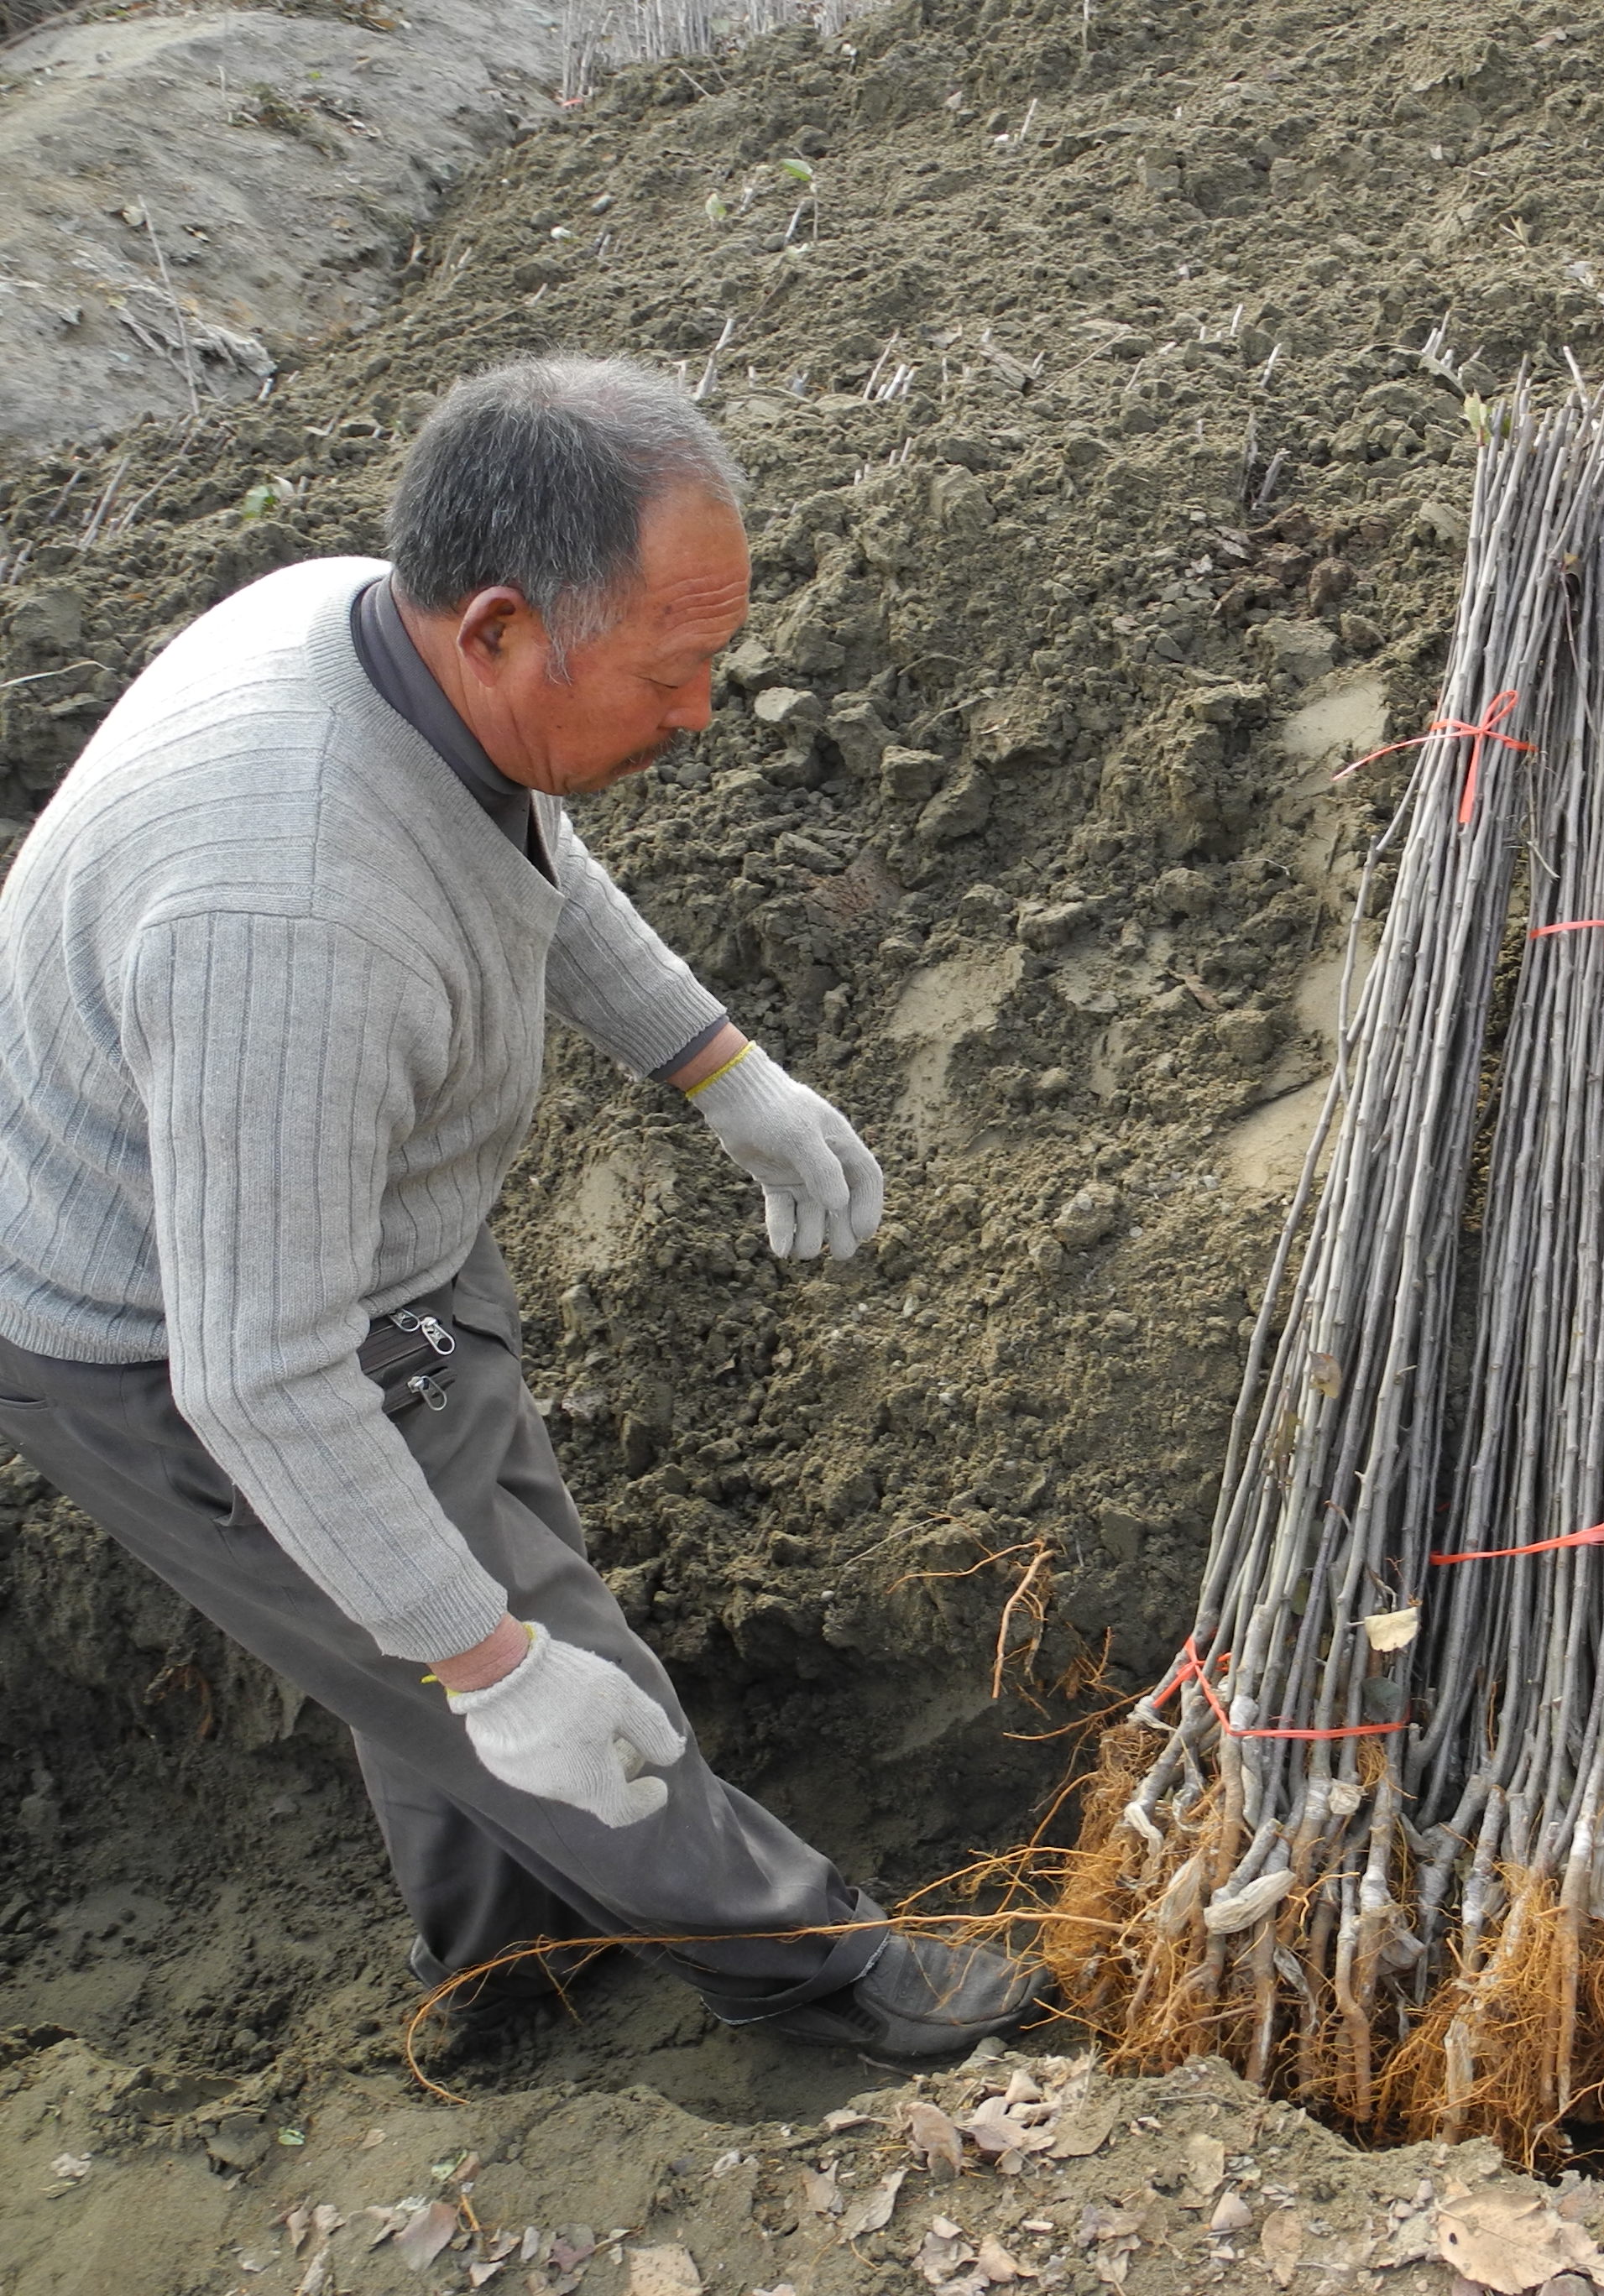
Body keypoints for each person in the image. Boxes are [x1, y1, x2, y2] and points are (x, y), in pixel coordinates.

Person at [0, 356, 1041, 2057]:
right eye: (674, 672)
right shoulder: (286, 918)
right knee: (535, 1667)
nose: (703, 710)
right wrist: (489, 1669)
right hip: (161, 1328)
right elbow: (260, 1378)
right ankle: (830, 1974)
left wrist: (720, 1070)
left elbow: (524, 852)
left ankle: (503, 1983)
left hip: (360, 1227)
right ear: (497, 628)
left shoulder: (378, 636)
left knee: (431, 1629)